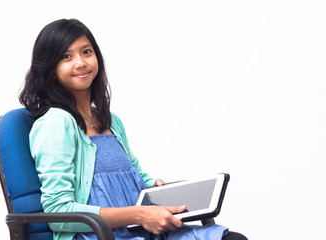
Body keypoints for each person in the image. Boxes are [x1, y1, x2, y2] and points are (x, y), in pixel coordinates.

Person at [19, 19, 247, 240]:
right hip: (97, 235)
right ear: (50, 68)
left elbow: (136, 174)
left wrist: (155, 188)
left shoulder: (110, 121)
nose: (80, 63)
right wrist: (139, 214)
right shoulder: (56, 123)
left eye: (86, 52)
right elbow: (59, 213)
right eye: (66, 57)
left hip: (141, 229)